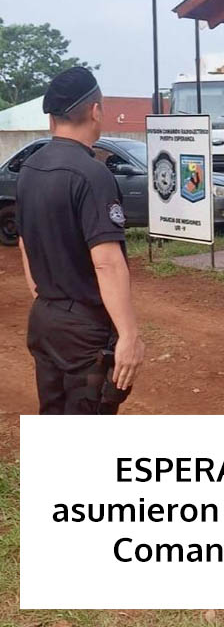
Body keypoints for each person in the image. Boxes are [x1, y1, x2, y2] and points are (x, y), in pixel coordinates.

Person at [16, 67, 144, 415]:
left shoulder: (30, 168)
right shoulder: (92, 174)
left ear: (52, 118)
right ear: (95, 111)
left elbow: (25, 242)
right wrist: (129, 335)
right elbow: (107, 262)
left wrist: (45, 297)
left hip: (45, 317)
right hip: (84, 331)